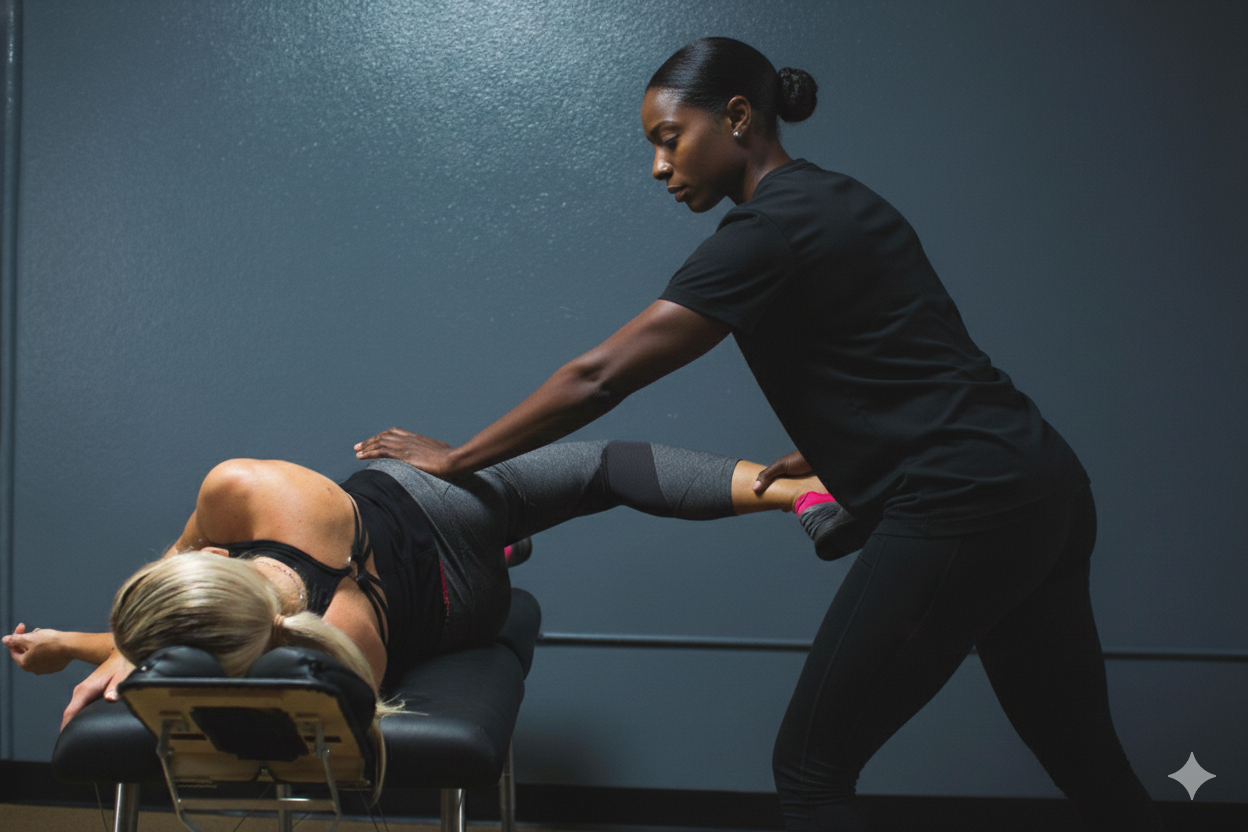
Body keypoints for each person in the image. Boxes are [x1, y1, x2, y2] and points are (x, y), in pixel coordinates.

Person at [351, 37, 1163, 831]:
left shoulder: (763, 231)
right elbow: (915, 347)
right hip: (1044, 485)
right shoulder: (842, 197)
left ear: (737, 116)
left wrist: (457, 457)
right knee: (1089, 765)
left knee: (811, 772)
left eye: (669, 140)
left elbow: (602, 376)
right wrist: (844, 445)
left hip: (964, 503)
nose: (659, 167)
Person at [5, 440, 834, 731]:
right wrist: (112, 645)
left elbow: (214, 638)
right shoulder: (252, 490)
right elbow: (189, 591)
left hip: (460, 609)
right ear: (212, 564)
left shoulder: (341, 654)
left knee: (505, 546)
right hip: (432, 510)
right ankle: (804, 489)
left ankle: (507, 553)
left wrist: (87, 649)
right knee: (600, 468)